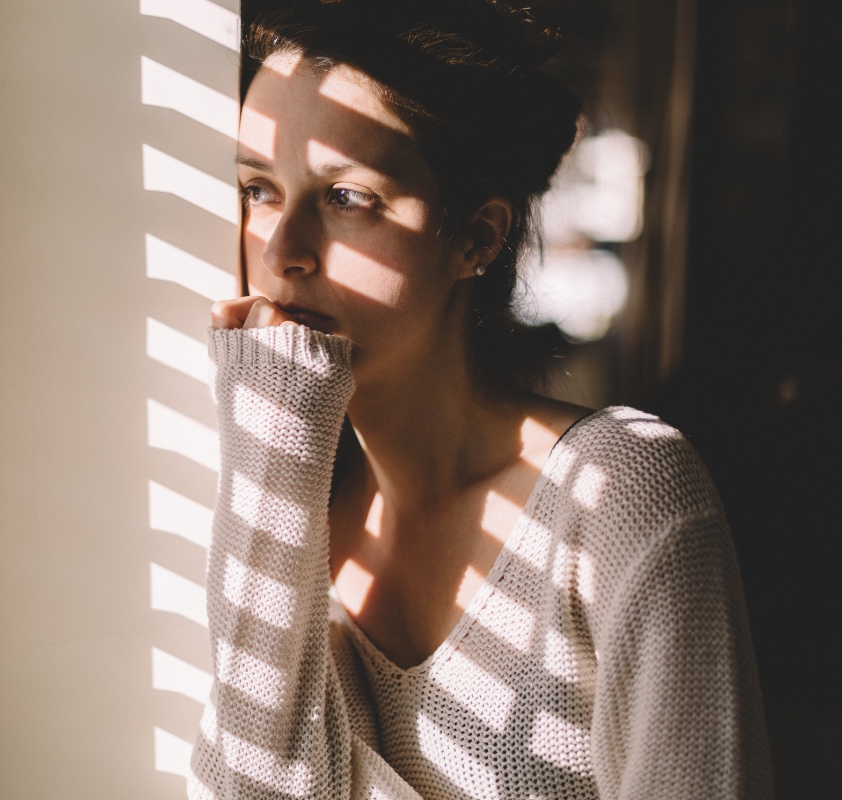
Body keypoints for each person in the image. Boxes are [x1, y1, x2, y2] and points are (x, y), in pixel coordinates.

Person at [190, 1, 773, 798]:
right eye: (258, 189)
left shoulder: (618, 499)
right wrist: (274, 446)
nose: (282, 252)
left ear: (478, 236)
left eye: (347, 198)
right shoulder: (288, 503)